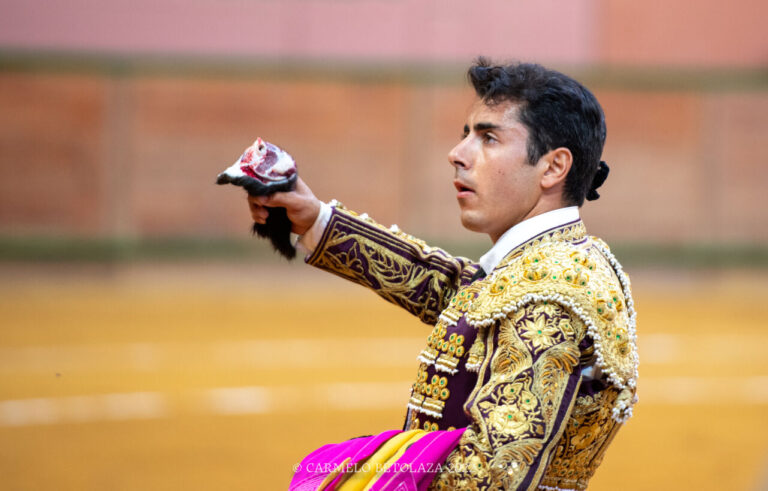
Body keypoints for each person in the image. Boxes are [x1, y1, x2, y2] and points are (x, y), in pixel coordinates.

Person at [248, 59, 638, 490]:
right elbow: (459, 294)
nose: (458, 153)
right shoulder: (554, 262)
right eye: (466, 134)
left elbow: (490, 477)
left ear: (552, 167)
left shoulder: (552, 291)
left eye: (489, 137)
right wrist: (315, 218)